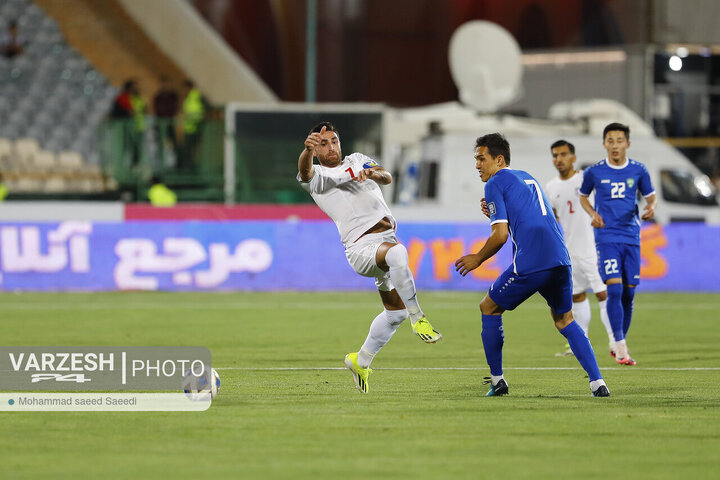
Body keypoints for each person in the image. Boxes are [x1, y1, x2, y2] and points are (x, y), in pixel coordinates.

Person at [454, 133, 608, 397]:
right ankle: (598, 383)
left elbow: (500, 235)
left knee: (488, 307)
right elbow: (528, 214)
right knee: (564, 319)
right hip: (560, 258)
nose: (477, 165)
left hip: (533, 259)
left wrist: (477, 258)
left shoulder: (493, 183)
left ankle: (497, 380)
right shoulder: (527, 177)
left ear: (498, 160)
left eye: (481, 158)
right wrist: (496, 211)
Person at [298, 121, 442, 394]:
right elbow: (303, 173)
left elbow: (386, 176)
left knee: (394, 313)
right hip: (361, 248)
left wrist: (374, 173)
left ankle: (360, 361)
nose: (331, 147)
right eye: (323, 144)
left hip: (386, 240)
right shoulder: (317, 176)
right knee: (399, 255)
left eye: (334, 141)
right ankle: (419, 318)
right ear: (316, 151)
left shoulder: (357, 160)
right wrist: (306, 152)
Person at [579, 123, 657, 366]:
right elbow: (583, 196)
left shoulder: (638, 170)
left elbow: (650, 195)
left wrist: (651, 207)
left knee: (628, 293)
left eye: (619, 140)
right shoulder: (594, 172)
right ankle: (621, 347)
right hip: (606, 236)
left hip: (631, 236)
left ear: (628, 144)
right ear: (604, 144)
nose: (615, 145)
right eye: (610, 140)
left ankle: (618, 341)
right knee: (614, 289)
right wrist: (592, 213)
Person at [546, 140, 615, 357]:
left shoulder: (587, 179)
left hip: (594, 250)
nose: (559, 159)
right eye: (555, 155)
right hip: (570, 252)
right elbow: (555, 220)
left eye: (563, 154)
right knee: (576, 297)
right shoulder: (550, 187)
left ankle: (616, 342)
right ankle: (579, 343)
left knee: (604, 295)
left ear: (573, 158)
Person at [179, 80, 205, 171]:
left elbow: (204, 108)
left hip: (196, 127)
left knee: (192, 150)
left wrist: (200, 119)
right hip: (189, 128)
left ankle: (191, 168)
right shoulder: (189, 97)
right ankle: (188, 167)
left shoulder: (196, 95)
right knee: (188, 150)